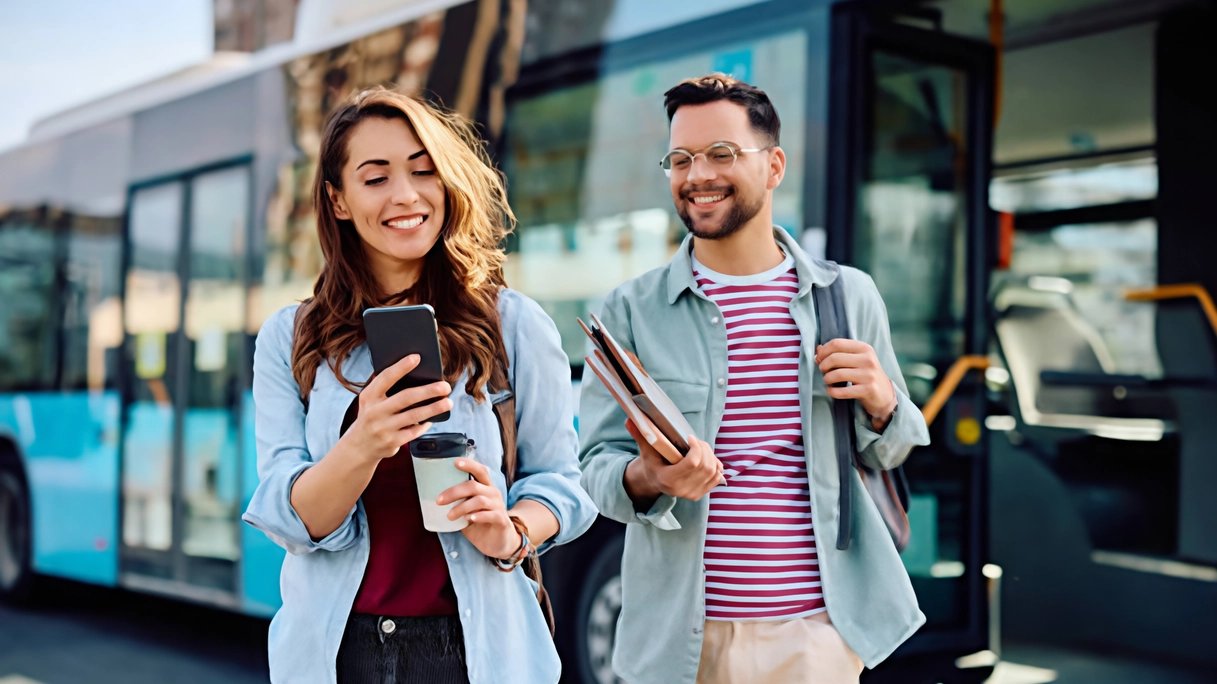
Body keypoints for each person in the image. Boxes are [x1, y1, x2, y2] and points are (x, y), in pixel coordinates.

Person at [578, 74, 931, 684]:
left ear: (773, 167)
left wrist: (882, 400)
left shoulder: (846, 297)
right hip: (679, 643)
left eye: (721, 154)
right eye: (681, 159)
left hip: (815, 635)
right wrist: (648, 477)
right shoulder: (629, 311)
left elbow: (892, 448)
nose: (697, 175)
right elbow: (596, 470)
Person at [243, 86, 597, 684]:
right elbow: (290, 517)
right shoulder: (290, 338)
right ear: (338, 200)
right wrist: (364, 442)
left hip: (476, 652)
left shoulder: (514, 325)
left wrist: (508, 529)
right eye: (375, 178)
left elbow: (563, 484)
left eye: (423, 170)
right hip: (335, 653)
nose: (405, 196)